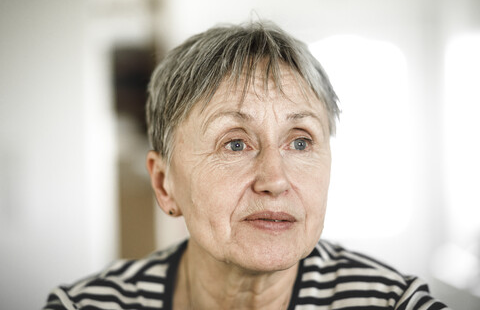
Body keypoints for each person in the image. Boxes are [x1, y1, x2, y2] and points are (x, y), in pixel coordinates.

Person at [44, 21, 449, 310]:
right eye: (235, 143)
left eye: (301, 141)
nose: (275, 180)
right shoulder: (86, 305)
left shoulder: (395, 303)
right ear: (164, 183)